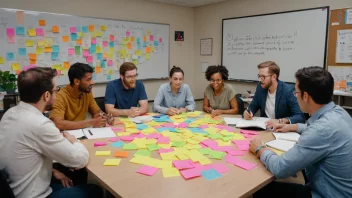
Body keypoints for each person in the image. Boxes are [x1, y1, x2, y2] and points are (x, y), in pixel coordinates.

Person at [250, 67, 352, 198]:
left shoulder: (321, 130)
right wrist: (291, 127)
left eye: (296, 93)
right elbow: (317, 128)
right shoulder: (338, 112)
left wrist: (260, 149)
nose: (295, 96)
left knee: (261, 190)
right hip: (336, 187)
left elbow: (280, 168)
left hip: (327, 194)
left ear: (305, 96)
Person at [0, 67, 103, 198]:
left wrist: (53, 170)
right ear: (46, 95)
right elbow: (80, 160)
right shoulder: (40, 124)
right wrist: (73, 141)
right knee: (95, 190)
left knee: (68, 180)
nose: (57, 93)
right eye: (56, 90)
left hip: (15, 187)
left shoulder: (10, 114)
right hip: (33, 194)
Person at [50, 62, 114, 131]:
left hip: (82, 133)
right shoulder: (60, 96)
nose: (92, 82)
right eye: (88, 79)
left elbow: (97, 112)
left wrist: (105, 117)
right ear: (76, 81)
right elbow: (58, 124)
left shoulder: (86, 92)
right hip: (65, 136)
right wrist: (91, 122)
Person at [243, 61, 305, 128]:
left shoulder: (288, 91)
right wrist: (247, 113)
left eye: (263, 77)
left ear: (274, 77)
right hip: (264, 128)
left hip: (281, 130)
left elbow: (300, 117)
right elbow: (253, 107)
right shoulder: (260, 87)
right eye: (259, 76)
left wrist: (281, 121)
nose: (260, 80)